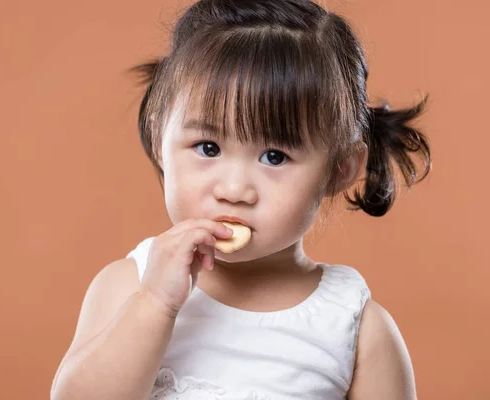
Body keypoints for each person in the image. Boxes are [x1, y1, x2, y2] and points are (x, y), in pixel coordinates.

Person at [51, 0, 432, 399]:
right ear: (160, 138)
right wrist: (155, 305)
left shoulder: (356, 329)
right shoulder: (129, 285)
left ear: (339, 169)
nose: (233, 190)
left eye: (274, 156)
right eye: (208, 147)